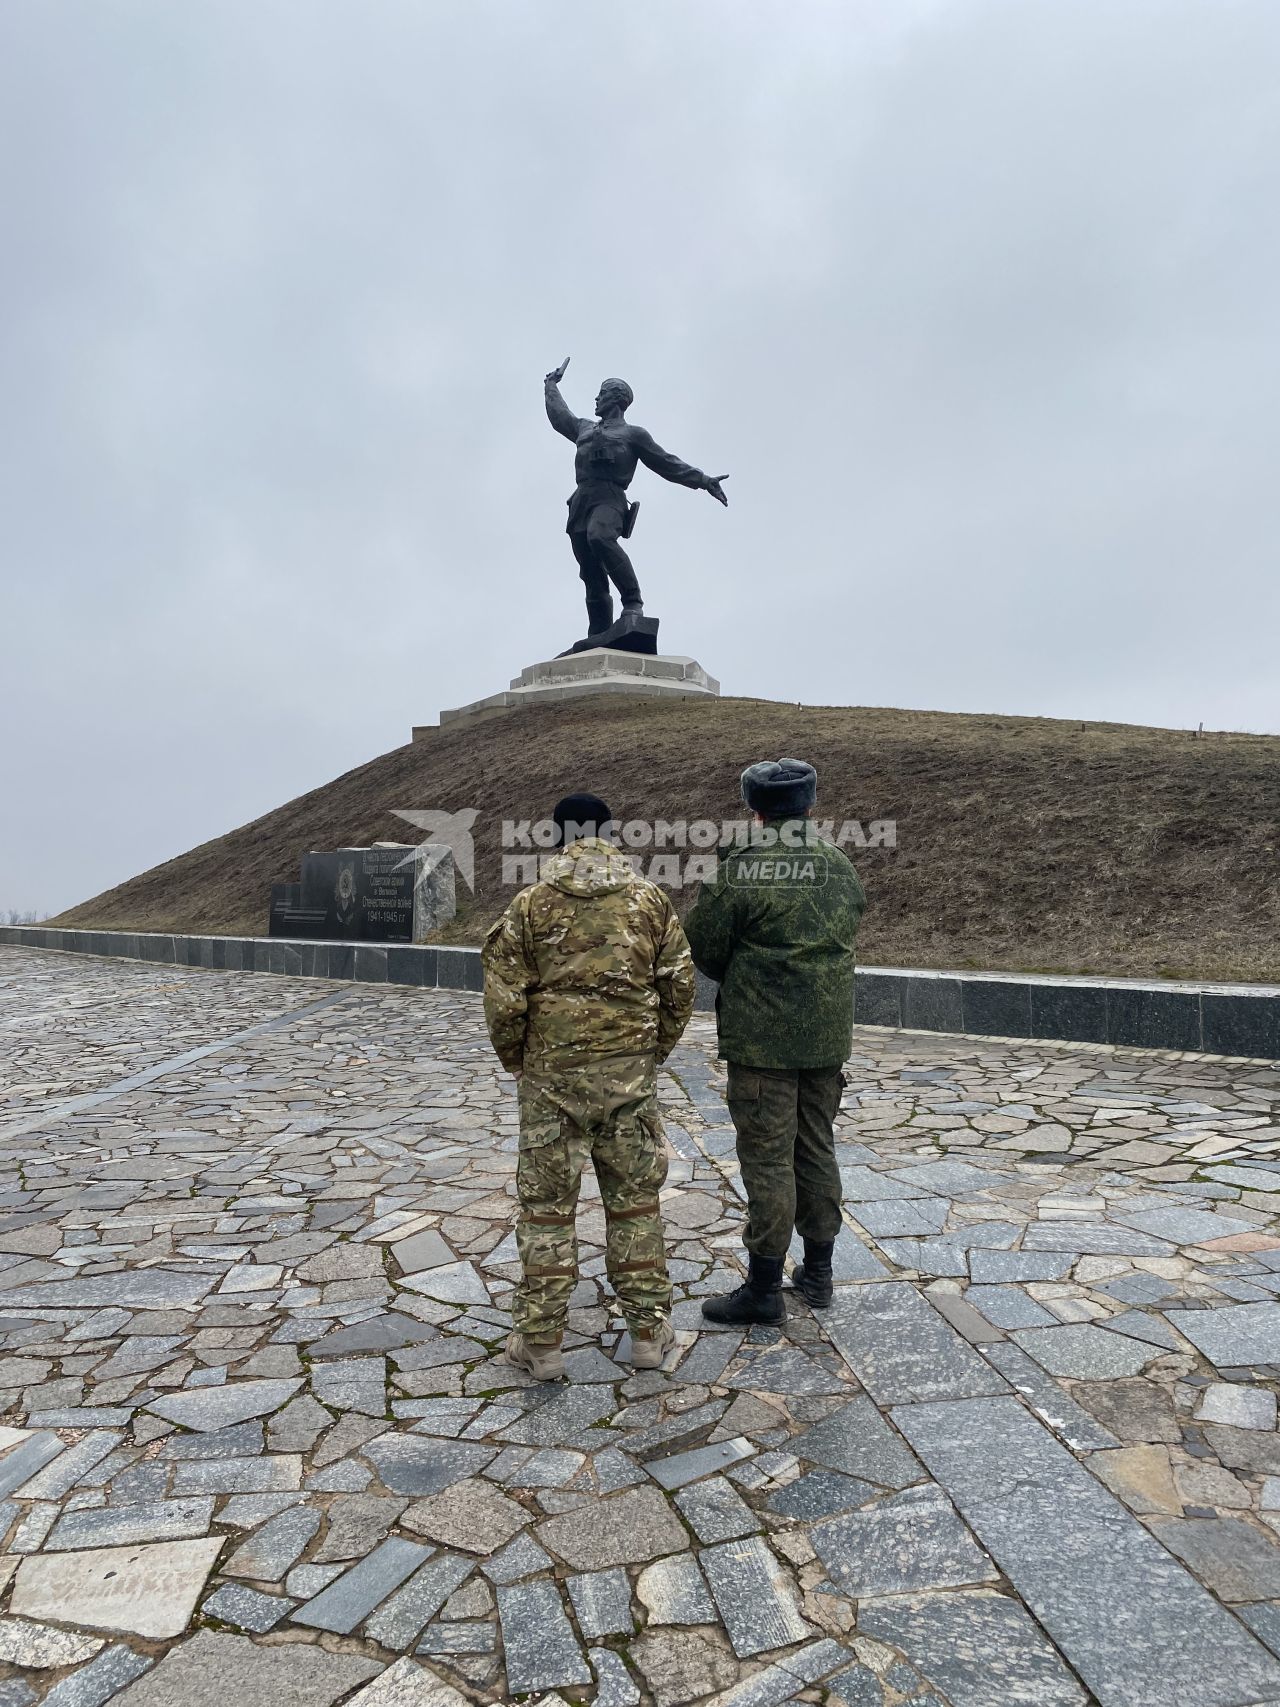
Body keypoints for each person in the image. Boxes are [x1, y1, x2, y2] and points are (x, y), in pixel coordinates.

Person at [481, 791, 696, 1379]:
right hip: (628, 1080)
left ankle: (543, 1344)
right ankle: (649, 1335)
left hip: (551, 1084)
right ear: (610, 834)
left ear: (554, 837)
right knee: (635, 1205)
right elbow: (680, 985)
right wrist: (651, 1052)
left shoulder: (530, 905)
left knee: (547, 1211)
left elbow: (504, 999)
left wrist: (516, 1061)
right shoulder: (649, 901)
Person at [685, 759, 866, 1323]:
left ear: (755, 809)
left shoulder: (740, 869)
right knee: (816, 1148)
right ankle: (818, 1275)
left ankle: (763, 1290)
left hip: (763, 1040)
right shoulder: (839, 865)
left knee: (767, 1160)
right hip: (826, 1038)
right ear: (810, 806)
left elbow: (705, 946)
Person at [544, 358, 729, 637]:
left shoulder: (633, 434)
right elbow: (560, 417)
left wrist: (703, 480)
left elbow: (666, 462)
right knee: (590, 571)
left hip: (610, 497)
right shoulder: (583, 428)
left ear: (617, 399)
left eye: (602, 393)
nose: (596, 398)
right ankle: (599, 630)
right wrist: (550, 385)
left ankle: (633, 601)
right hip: (581, 499)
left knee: (600, 536)